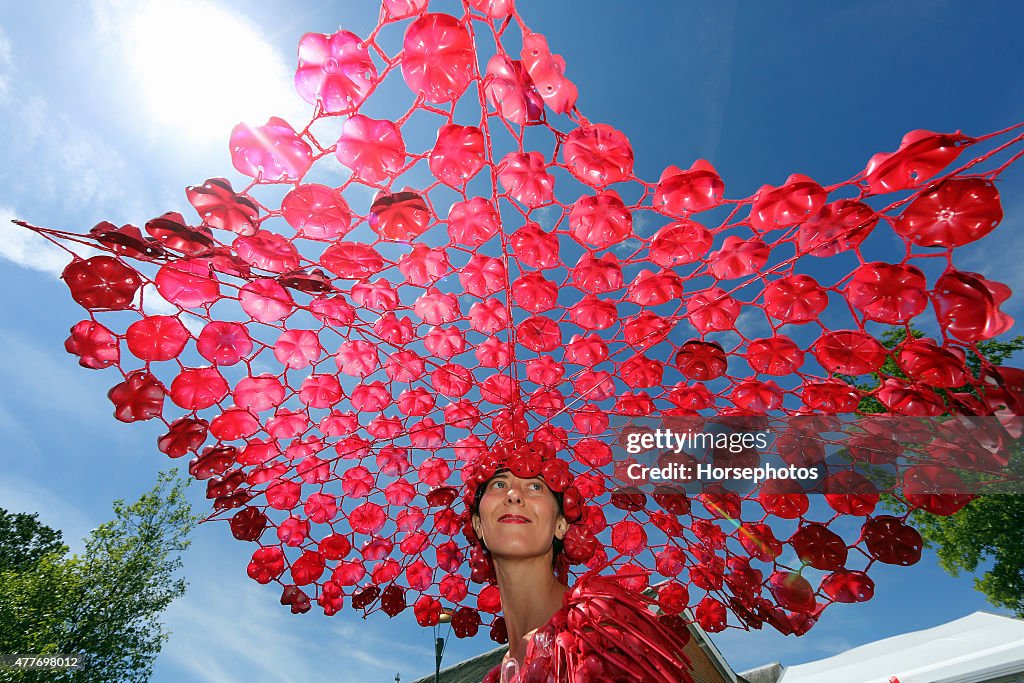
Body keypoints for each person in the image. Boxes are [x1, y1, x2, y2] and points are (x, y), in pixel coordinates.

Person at [463, 440, 692, 683]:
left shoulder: (602, 622)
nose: (514, 495)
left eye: (535, 486)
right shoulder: (498, 676)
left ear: (561, 525)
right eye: (499, 484)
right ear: (477, 524)